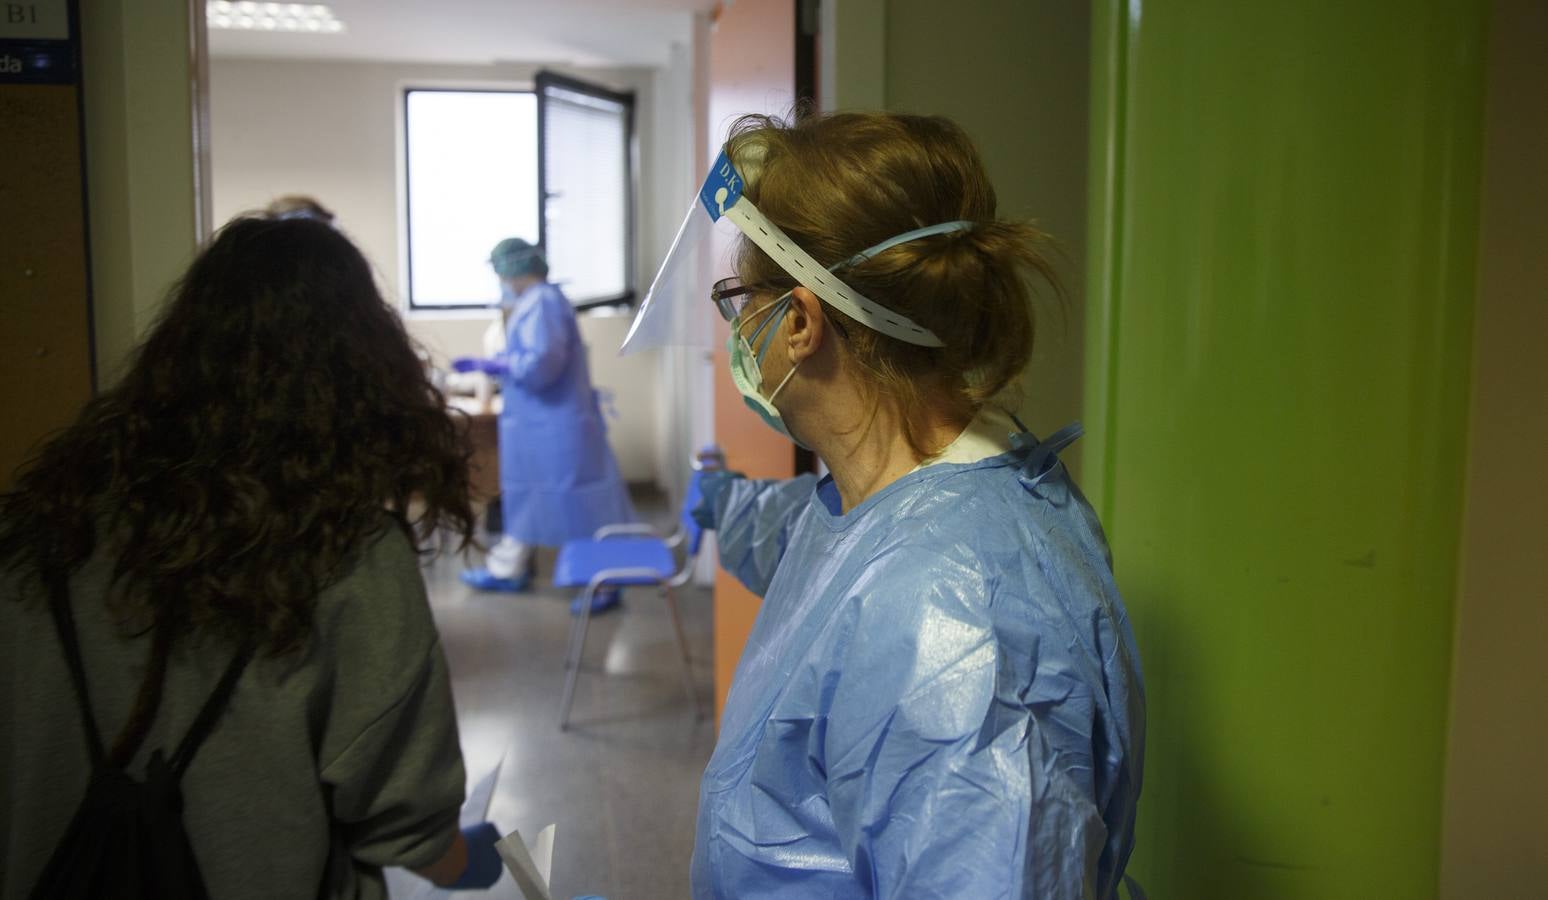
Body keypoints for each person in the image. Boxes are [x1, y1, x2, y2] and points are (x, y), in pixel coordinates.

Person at [657, 113, 1145, 898]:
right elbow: (820, 553)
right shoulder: (928, 486)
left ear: (802, 322)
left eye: (740, 299)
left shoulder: (955, 626)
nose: (737, 329)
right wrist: (724, 500)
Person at [0, 217, 503, 898]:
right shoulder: (347, 556)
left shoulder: (44, 526)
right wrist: (460, 859)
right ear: (364, 368)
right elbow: (401, 814)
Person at [453, 238, 635, 611]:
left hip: (557, 426)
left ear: (513, 269)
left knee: (578, 504)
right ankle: (509, 569)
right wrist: (504, 361)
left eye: (499, 269)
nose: (499, 278)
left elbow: (541, 367)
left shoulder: (542, 303)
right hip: (539, 426)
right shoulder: (533, 303)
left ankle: (604, 581)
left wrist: (497, 365)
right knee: (529, 497)